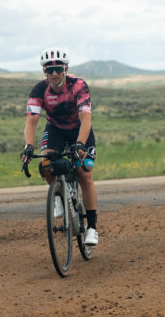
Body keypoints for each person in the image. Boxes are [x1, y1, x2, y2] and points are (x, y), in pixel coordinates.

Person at [21, 48, 99, 247]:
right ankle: (58, 196)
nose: (54, 73)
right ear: (44, 72)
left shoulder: (78, 85)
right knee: (46, 164)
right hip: (55, 129)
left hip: (80, 130)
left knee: (84, 174)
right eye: (49, 69)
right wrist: (28, 147)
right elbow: (31, 122)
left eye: (58, 69)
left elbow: (86, 118)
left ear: (65, 69)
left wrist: (80, 144)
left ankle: (92, 227)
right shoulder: (39, 90)